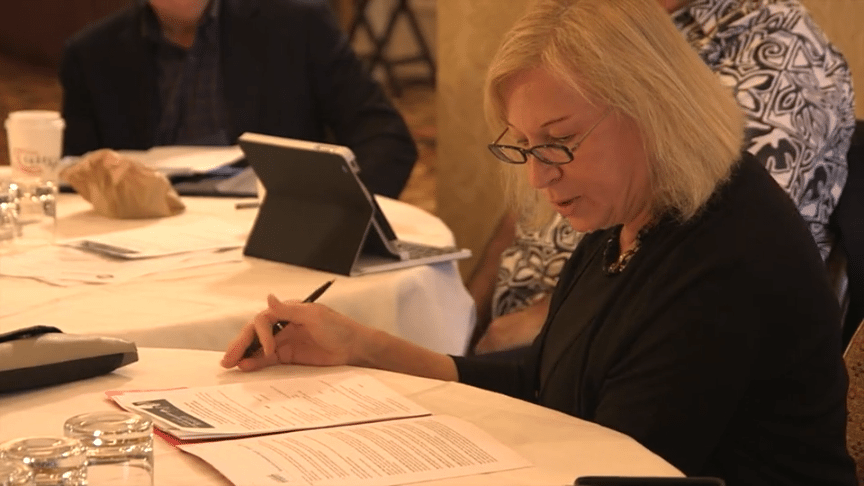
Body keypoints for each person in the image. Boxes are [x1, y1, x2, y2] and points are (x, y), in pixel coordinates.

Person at [221, 0, 857, 483]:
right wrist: (363, 346)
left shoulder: (725, 255)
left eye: (558, 141)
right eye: (523, 146)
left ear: (653, 109)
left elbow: (613, 461)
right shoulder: (633, 211)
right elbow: (547, 376)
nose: (538, 175)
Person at [469, 0, 856, 353]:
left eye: (562, 137)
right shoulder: (609, 22)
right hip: (533, 333)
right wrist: (468, 311)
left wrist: (548, 326)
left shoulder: (780, 58)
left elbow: (714, 247)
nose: (537, 176)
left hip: (641, 341)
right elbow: (528, 202)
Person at [58, 0, 418, 199]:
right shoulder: (91, 54)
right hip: (142, 242)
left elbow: (385, 137)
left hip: (268, 231)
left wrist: (339, 214)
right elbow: (76, 176)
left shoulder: (297, 25)